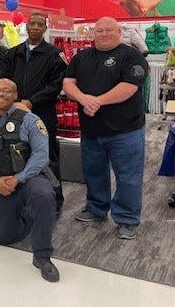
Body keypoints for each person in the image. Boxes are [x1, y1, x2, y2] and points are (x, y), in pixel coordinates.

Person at [62, 17, 148, 240]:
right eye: (99, 30)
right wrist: (83, 99)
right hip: (91, 131)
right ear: (93, 33)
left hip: (126, 131)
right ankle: (96, 209)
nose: (104, 33)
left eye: (109, 29)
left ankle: (127, 218)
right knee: (94, 173)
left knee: (128, 177)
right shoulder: (81, 57)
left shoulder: (131, 55)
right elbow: (68, 83)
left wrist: (96, 101)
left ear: (119, 32)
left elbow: (129, 87)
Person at [0, 79, 59, 282]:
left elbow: (41, 155)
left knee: (44, 195)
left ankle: (42, 255)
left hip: (29, 179)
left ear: (15, 94)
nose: (1, 94)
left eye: (7, 91)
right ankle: (29, 216)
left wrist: (19, 178)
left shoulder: (30, 120)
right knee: (4, 236)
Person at [0, 12, 66, 213]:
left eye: (39, 24)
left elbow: (56, 85)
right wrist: (12, 102)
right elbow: (2, 80)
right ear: (26, 27)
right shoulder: (13, 53)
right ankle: (21, 197)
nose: (35, 27)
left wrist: (31, 102)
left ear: (45, 28)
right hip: (14, 113)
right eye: (32, 23)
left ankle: (55, 200)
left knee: (47, 157)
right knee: (16, 155)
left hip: (42, 115)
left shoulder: (54, 55)